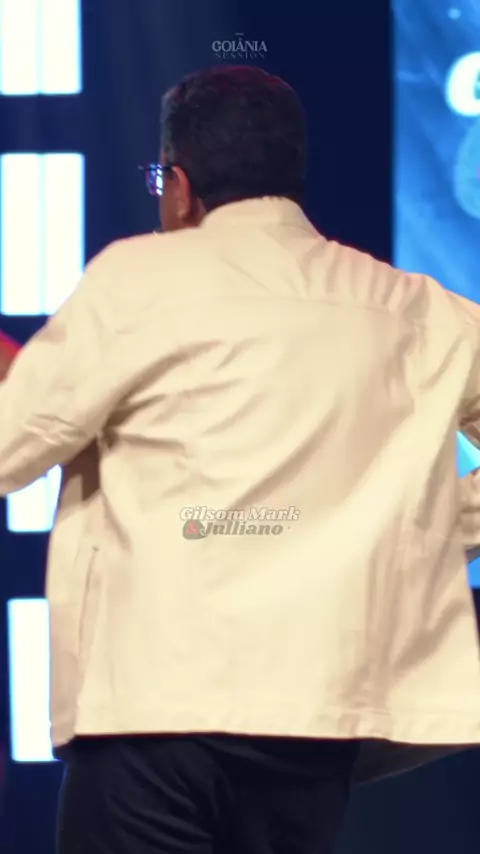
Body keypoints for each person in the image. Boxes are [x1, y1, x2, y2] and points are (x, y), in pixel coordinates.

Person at [1, 65, 480, 854]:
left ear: (180, 187)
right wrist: (431, 529)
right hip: (315, 723)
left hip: (154, 709)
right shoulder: (409, 306)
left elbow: (10, 447)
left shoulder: (140, 280)